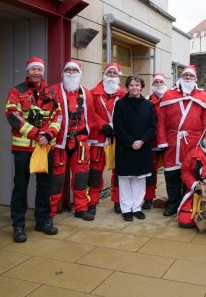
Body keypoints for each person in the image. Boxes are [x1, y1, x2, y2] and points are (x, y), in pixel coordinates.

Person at [5, 57, 62, 242]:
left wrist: (50, 134)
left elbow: (58, 115)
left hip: (45, 148)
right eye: (33, 69)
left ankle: (43, 220)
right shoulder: (16, 91)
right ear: (28, 71)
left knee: (45, 186)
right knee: (20, 187)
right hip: (24, 149)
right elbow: (13, 115)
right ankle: (19, 226)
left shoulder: (51, 92)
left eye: (39, 69)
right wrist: (38, 134)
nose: (37, 72)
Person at [156, 65, 206, 216]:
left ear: (195, 79)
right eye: (185, 75)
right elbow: (161, 121)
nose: (187, 78)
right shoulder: (168, 94)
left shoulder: (202, 96)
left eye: (190, 76)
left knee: (191, 172)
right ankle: (173, 202)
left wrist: (203, 144)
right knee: (171, 173)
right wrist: (162, 140)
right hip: (173, 139)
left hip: (193, 140)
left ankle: (187, 202)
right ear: (180, 77)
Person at [50, 60, 99, 221]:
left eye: (74, 70)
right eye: (68, 70)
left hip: (80, 143)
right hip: (58, 142)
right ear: (63, 73)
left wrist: (89, 139)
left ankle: (81, 208)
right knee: (56, 178)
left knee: (81, 177)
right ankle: (49, 211)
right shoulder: (53, 91)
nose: (71, 73)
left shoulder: (86, 93)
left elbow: (91, 118)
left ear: (79, 74)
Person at [113, 76, 157, 221]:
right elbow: (118, 127)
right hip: (125, 147)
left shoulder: (148, 105)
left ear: (141, 87)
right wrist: (131, 142)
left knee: (140, 179)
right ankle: (126, 209)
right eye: (131, 85)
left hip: (142, 147)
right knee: (125, 180)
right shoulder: (119, 104)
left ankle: (137, 207)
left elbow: (152, 126)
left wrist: (142, 141)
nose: (134, 88)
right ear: (127, 87)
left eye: (137, 85)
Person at [88, 62, 126, 215]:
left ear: (118, 77)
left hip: (117, 139)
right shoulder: (93, 93)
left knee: (118, 172)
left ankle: (117, 201)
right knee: (96, 172)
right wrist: (103, 125)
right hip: (99, 137)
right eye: (109, 73)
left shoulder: (124, 94)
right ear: (104, 75)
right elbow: (90, 112)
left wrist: (117, 127)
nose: (111, 76)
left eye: (114, 74)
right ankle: (92, 202)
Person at [145, 73, 168, 209]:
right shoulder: (147, 100)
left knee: (170, 171)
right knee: (150, 171)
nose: (159, 85)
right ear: (153, 86)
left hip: (167, 140)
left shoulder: (171, 99)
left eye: (161, 82)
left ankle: (172, 196)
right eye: (156, 83)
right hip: (152, 141)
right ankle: (148, 197)